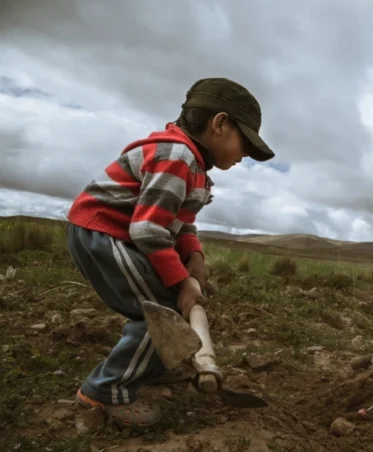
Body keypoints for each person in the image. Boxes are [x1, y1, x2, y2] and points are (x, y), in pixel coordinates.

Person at [66, 77, 275, 430]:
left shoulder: (195, 169)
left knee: (166, 305)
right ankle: (105, 391)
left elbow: (181, 223)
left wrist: (194, 258)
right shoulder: (177, 157)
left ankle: (144, 366)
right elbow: (147, 229)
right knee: (160, 313)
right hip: (101, 235)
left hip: (119, 236)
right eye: (246, 144)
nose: (245, 156)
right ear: (220, 124)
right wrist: (182, 282)